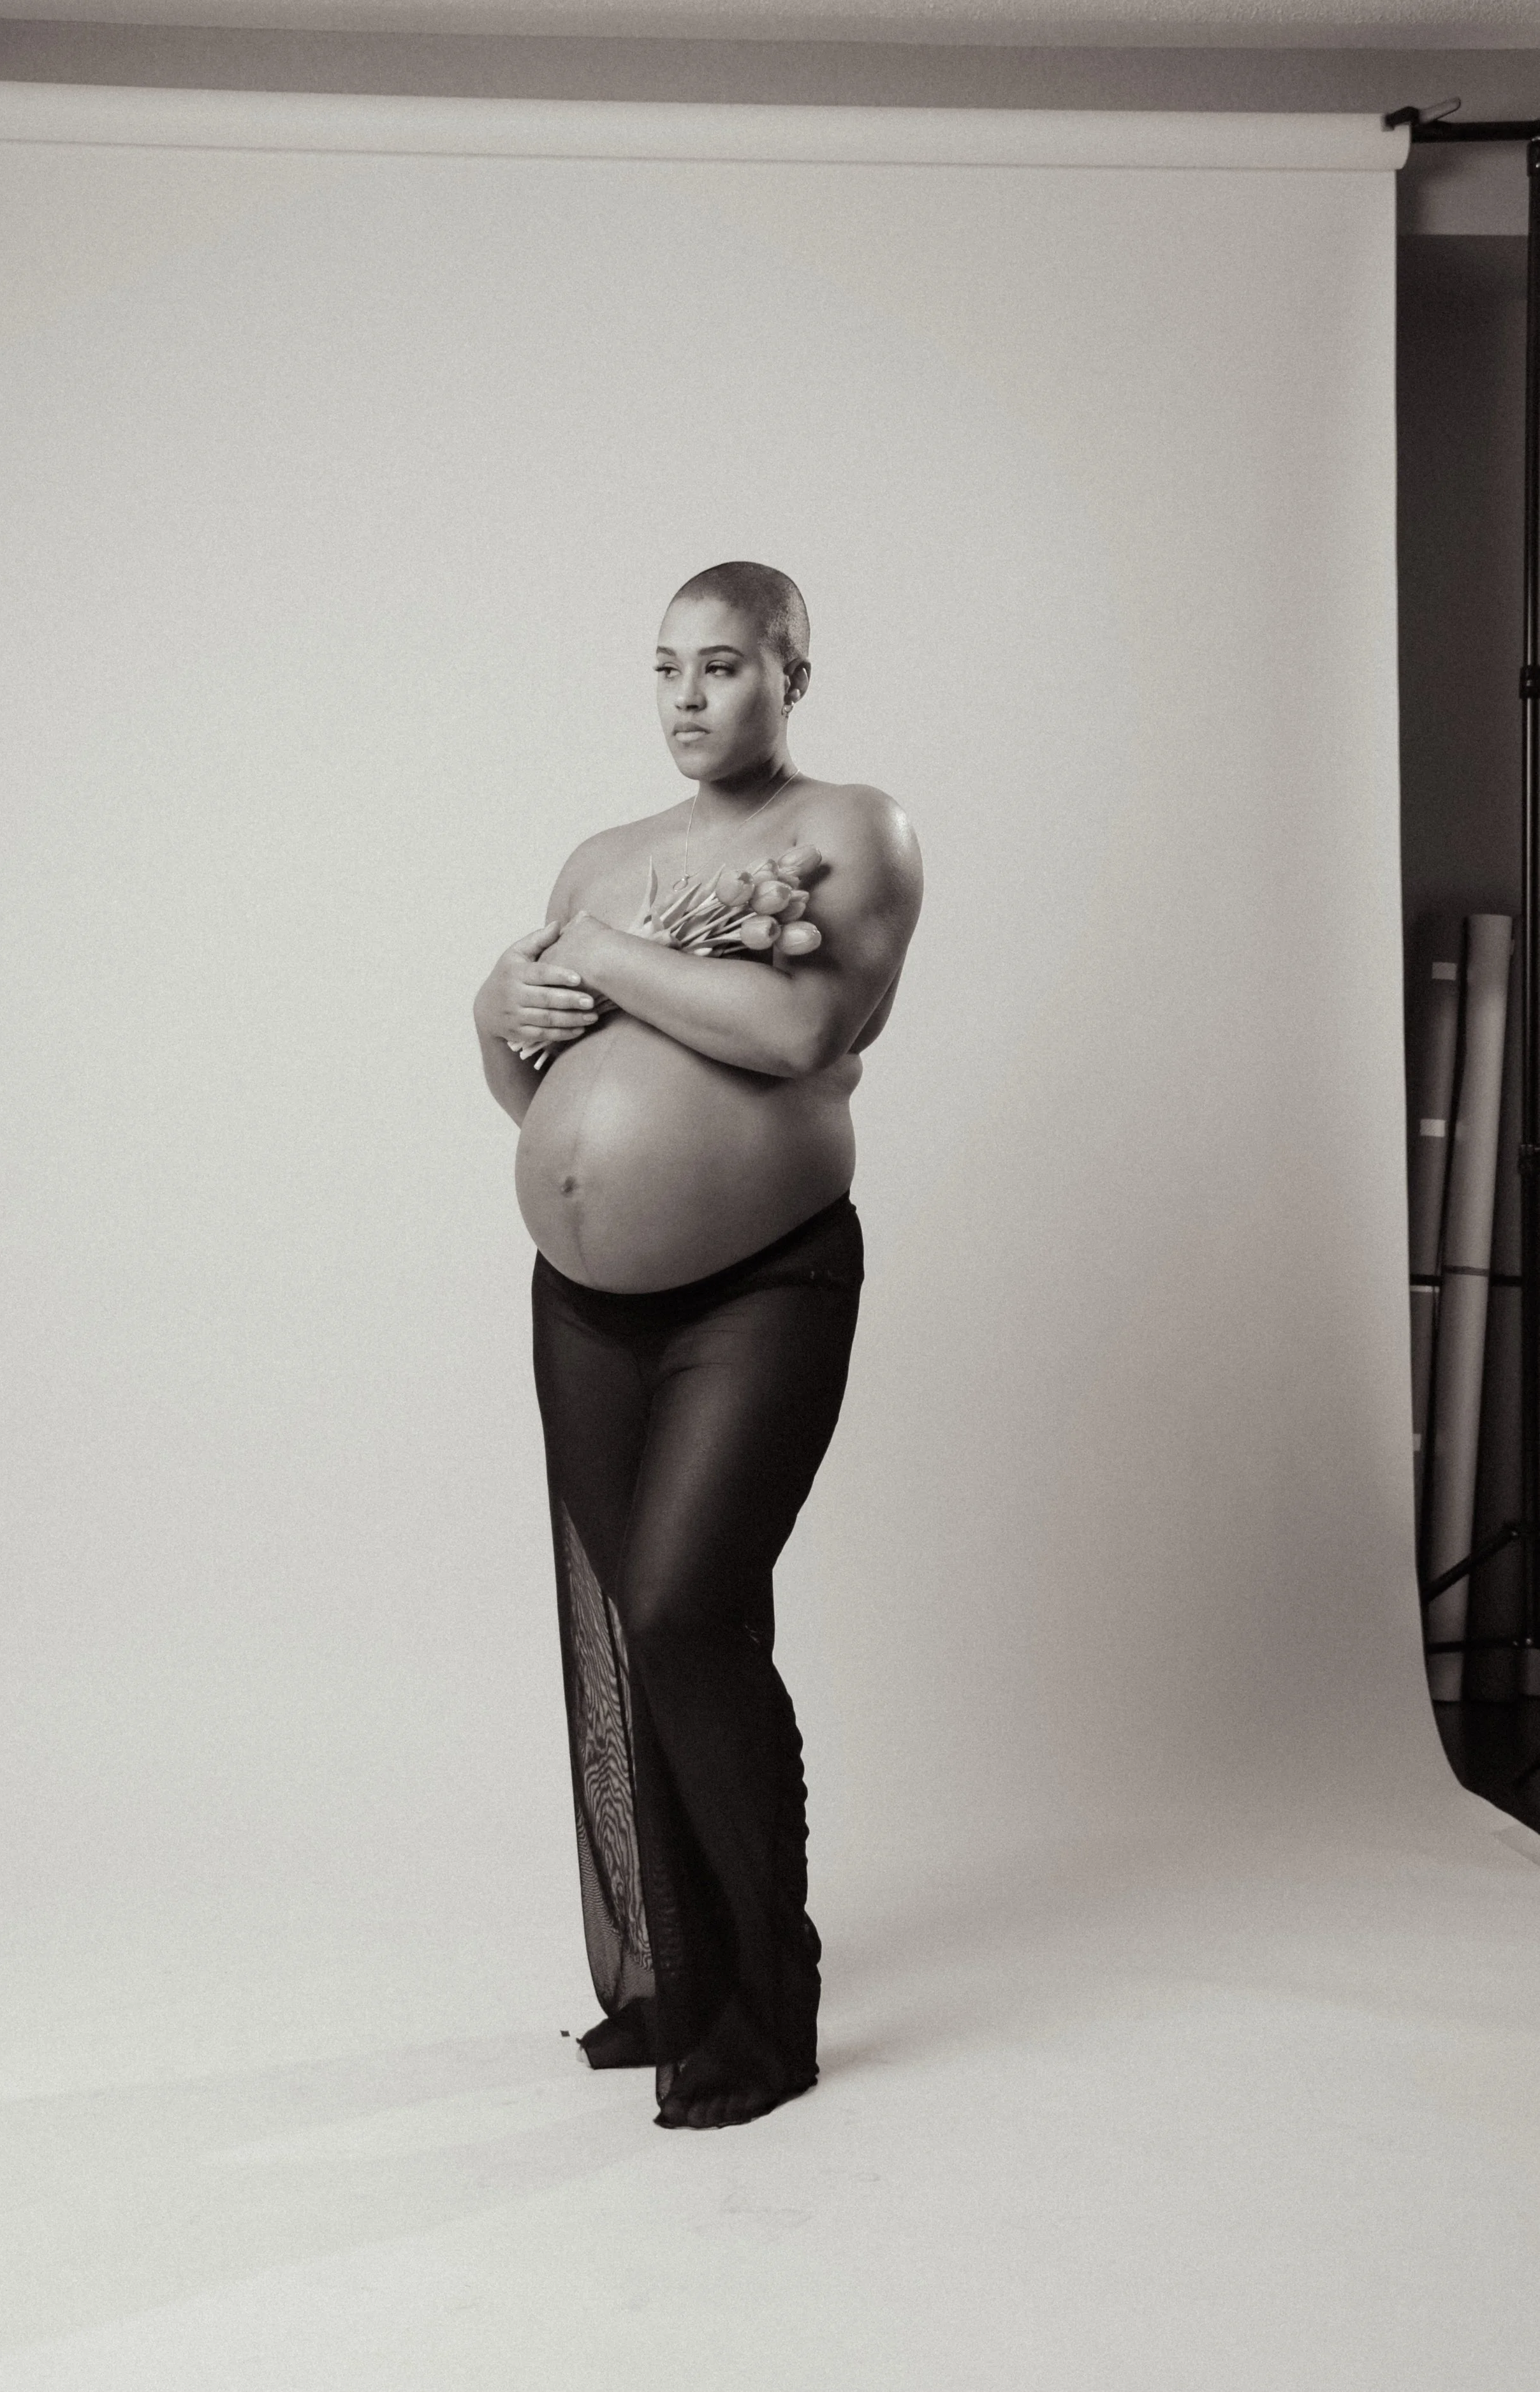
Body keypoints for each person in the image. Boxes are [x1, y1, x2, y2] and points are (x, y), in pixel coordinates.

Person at [472, 562, 923, 2128]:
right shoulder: (606, 857)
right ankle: (673, 1966)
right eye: (663, 667)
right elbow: (545, 1097)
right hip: (585, 1299)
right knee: (624, 1625)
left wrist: (598, 958)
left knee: (681, 1613)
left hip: (760, 1285)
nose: (684, 698)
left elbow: (808, 1033)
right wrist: (494, 1007)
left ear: (793, 670)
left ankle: (767, 1997)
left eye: (721, 666)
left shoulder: (852, 828)